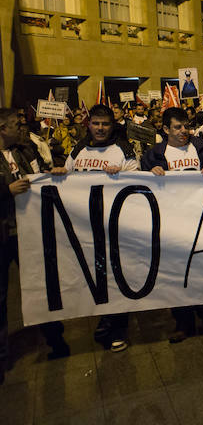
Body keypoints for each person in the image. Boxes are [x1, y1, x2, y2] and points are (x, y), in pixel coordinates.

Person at [49, 104, 139, 352]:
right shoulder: (78, 149)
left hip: (116, 227)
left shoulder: (123, 149)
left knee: (117, 278)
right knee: (97, 277)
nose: (100, 128)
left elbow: (139, 182)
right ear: (88, 125)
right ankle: (105, 321)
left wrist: (121, 172)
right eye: (96, 123)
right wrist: (59, 173)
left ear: (112, 126)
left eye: (105, 124)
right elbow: (66, 174)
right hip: (84, 228)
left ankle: (116, 328)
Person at [1, 108, 68, 383]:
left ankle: (56, 340)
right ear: (2, 127)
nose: (23, 127)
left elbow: (39, 177)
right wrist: (6, 192)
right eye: (17, 124)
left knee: (41, 285)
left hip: (27, 232)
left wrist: (54, 173)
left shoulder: (24, 152)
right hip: (3, 234)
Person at [141, 107, 203, 343]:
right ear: (165, 129)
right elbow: (141, 186)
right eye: (177, 127)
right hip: (170, 223)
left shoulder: (202, 148)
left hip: (199, 220)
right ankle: (183, 322)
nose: (184, 131)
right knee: (176, 274)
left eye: (186, 126)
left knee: (201, 270)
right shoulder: (154, 154)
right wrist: (148, 172)